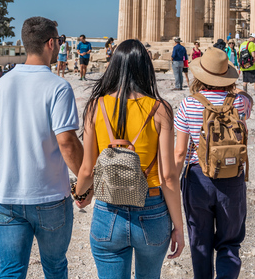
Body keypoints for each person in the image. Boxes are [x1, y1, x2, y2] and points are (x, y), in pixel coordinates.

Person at [73, 39, 185, 278]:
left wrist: (80, 194)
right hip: (151, 208)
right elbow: (168, 176)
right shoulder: (160, 109)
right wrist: (178, 226)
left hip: (108, 208)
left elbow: (86, 170)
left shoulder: (96, 106)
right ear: (146, 68)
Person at [0, 16, 83, 279]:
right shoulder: (58, 87)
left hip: (8, 196)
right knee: (54, 267)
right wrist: (87, 178)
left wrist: (15, 154)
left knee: (12, 271)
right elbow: (67, 142)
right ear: (52, 43)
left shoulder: (2, 84)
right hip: (49, 195)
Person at [173, 47, 253, 279]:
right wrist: (234, 88)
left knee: (200, 242)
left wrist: (171, 186)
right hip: (232, 178)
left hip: (197, 179)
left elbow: (180, 153)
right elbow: (248, 101)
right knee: (230, 242)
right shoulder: (239, 103)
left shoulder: (188, 104)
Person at [239, 33, 255, 104]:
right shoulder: (251, 44)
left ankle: (244, 97)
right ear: (253, 38)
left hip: (243, 66)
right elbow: (253, 55)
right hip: (250, 66)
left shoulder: (242, 44)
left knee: (245, 82)